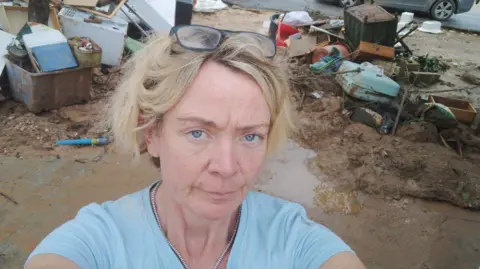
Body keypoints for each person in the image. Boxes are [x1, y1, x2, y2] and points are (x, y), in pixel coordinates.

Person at [25, 25, 366, 269]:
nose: (228, 167)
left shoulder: (292, 239)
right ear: (152, 132)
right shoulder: (99, 242)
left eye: (250, 136)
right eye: (198, 133)